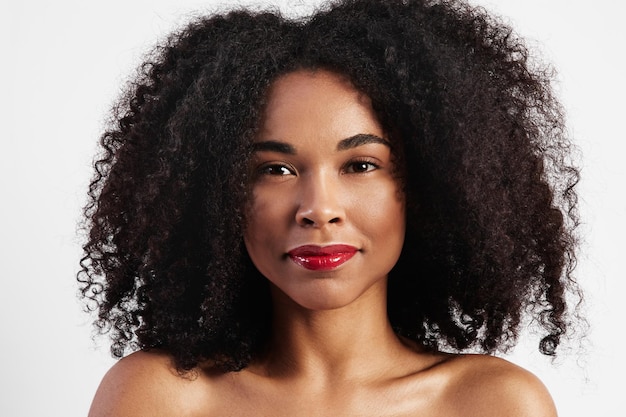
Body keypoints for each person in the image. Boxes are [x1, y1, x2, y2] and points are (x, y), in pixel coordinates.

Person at [79, 0, 581, 415]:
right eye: (275, 169)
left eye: (361, 165)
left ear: (432, 186)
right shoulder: (158, 399)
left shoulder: (493, 404)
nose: (319, 209)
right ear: (215, 195)